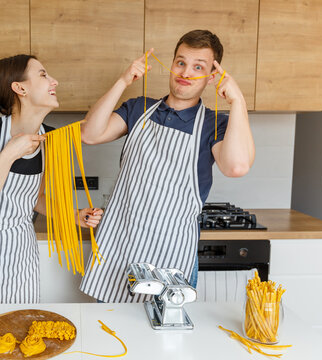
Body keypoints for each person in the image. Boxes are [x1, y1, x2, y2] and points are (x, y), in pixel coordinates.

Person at [79, 30, 255, 303]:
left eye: (199, 67)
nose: (186, 72)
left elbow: (237, 166)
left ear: (212, 77)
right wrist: (123, 81)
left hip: (169, 255)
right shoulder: (139, 109)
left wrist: (238, 101)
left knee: (161, 337)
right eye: (181, 62)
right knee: (108, 336)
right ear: (172, 65)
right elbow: (90, 134)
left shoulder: (214, 124)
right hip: (118, 246)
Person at [0, 54, 103, 304]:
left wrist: (73, 215)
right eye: (43, 75)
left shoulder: (49, 138)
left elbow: (37, 199)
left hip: (22, 258)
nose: (54, 81)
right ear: (20, 88)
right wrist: (9, 154)